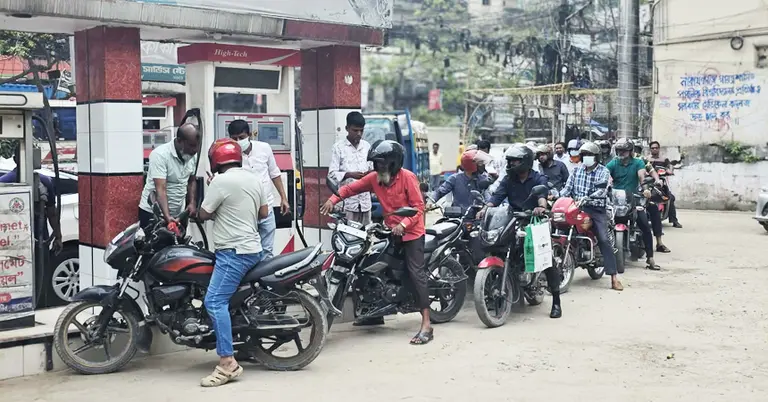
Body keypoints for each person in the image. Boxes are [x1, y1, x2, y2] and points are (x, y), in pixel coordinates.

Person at [319, 140, 433, 345]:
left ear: (393, 163)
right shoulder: (374, 178)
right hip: (389, 230)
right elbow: (350, 189)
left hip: (411, 233)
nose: (378, 167)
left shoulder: (408, 178)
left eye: (382, 164)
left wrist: (404, 225)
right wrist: (332, 200)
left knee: (416, 273)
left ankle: (426, 324)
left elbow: (418, 207)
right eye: (376, 164)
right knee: (368, 264)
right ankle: (374, 313)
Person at [198, 138, 269, 387]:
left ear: (216, 162)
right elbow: (264, 213)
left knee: (214, 301)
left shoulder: (219, 181)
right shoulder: (254, 178)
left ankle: (227, 362)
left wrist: (214, 190)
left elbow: (203, 213)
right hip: (254, 249)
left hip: (233, 253)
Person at [481, 144, 563, 318]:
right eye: (509, 161)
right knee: (498, 247)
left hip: (534, 221)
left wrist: (541, 207)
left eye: (515, 161)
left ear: (525, 161)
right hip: (513, 220)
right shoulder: (508, 179)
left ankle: (556, 301)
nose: (511, 164)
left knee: (546, 260)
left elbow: (542, 195)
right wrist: (485, 208)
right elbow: (496, 197)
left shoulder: (537, 178)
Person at [560, 142, 623, 290]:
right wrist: (556, 197)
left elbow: (602, 190)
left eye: (590, 155)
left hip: (596, 208)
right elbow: (567, 189)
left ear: (596, 157)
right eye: (584, 155)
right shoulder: (576, 171)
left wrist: (589, 197)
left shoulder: (603, 171)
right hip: (576, 207)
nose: (587, 157)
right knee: (559, 228)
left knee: (603, 238)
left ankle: (614, 277)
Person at [228, 120, 291, 259]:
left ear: (249, 135)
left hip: (267, 208)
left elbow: (274, 173)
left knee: (267, 251)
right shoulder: (230, 155)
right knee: (247, 252)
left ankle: (264, 280)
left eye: (241, 137)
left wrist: (284, 198)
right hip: (245, 212)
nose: (238, 141)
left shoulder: (264, 148)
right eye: (234, 139)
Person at [606, 138, 666, 271]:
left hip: (635, 199)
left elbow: (642, 176)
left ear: (630, 151)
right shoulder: (613, 163)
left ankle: (650, 258)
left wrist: (645, 188)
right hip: (616, 200)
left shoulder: (638, 162)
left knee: (644, 225)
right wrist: (605, 183)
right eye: (619, 150)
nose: (621, 153)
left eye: (624, 150)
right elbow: (605, 175)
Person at [0, 143, 62, 254]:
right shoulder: (45, 181)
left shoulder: (3, 182)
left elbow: (52, 212)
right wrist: (58, 237)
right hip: (36, 241)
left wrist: (58, 237)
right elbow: (52, 213)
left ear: (14, 159)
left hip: (13, 242)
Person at [139, 123, 199, 228]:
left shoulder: (192, 155)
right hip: (154, 214)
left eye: (197, 145)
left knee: (179, 244)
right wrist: (167, 217)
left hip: (179, 214)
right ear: (179, 140)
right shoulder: (160, 155)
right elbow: (161, 189)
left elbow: (191, 180)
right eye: (192, 145)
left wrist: (192, 203)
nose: (195, 150)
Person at [329, 112, 373, 225]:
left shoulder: (367, 146)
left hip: (365, 204)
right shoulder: (338, 148)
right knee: (349, 238)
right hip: (347, 205)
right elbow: (332, 175)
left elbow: (373, 170)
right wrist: (350, 174)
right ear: (347, 128)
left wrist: (369, 174)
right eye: (355, 130)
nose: (358, 134)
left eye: (361, 131)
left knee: (365, 238)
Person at [649, 141, 682, 228]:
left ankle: (674, 221)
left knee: (670, 197)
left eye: (656, 148)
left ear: (659, 149)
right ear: (650, 149)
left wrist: (670, 171)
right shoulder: (646, 159)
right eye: (652, 148)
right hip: (648, 183)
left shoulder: (664, 159)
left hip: (661, 183)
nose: (654, 149)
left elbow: (670, 165)